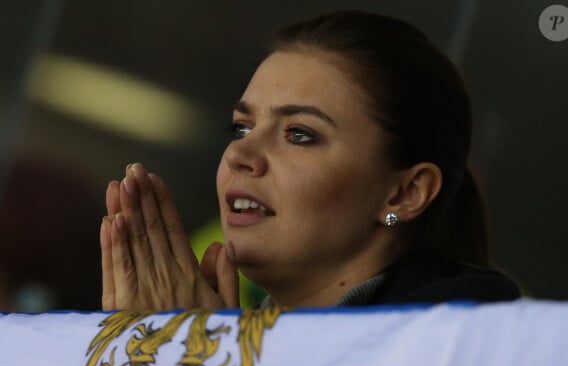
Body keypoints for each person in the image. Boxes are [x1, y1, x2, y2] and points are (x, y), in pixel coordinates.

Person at [99, 10, 520, 311]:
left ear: (404, 194)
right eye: (241, 128)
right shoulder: (236, 331)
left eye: (299, 134)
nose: (239, 154)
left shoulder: (472, 345)